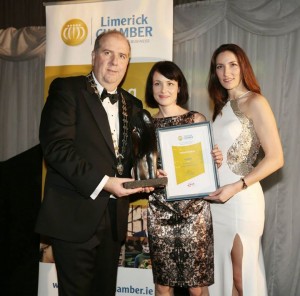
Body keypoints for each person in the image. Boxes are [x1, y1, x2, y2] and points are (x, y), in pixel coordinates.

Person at [35, 30, 153, 296]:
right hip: (74, 216)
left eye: (122, 56)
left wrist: (146, 175)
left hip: (113, 221)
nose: (114, 62)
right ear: (93, 56)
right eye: (107, 53)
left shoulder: (132, 104)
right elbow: (56, 148)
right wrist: (105, 183)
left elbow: (131, 157)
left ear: (128, 63)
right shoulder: (67, 89)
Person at [205, 44, 284, 296]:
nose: (226, 72)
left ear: (243, 67)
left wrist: (237, 186)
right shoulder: (220, 108)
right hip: (218, 202)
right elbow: (229, 153)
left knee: (241, 277)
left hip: (241, 200)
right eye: (220, 66)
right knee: (223, 279)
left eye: (232, 65)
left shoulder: (255, 101)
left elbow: (276, 158)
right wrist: (214, 158)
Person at [145, 61, 223, 296]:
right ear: (151, 88)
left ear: (179, 88)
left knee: (197, 286)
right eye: (157, 83)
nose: (163, 89)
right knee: (162, 285)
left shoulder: (196, 119)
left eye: (170, 83)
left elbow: (205, 166)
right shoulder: (146, 125)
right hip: (159, 211)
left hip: (194, 211)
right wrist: (150, 175)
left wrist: (214, 159)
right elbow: (138, 169)